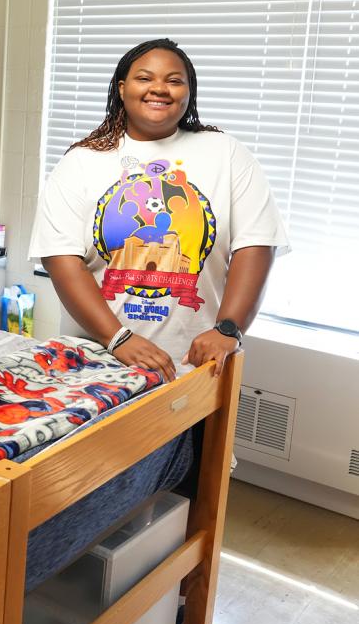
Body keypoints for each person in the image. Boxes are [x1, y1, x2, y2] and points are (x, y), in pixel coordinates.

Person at [29, 38, 289, 380]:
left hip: (197, 363)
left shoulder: (226, 153)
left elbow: (256, 243)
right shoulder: (81, 161)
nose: (159, 89)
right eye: (145, 78)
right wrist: (117, 338)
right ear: (122, 89)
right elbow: (60, 257)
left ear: (188, 92)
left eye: (174, 80)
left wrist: (227, 329)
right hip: (96, 360)